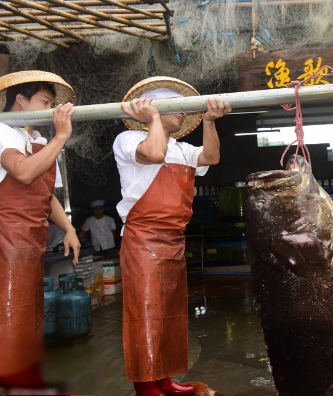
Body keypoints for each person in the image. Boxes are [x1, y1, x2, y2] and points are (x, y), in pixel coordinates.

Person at [114, 76, 230, 396]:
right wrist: (152, 119)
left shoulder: (182, 149)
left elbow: (211, 157)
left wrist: (209, 122)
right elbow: (153, 153)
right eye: (173, 108)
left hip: (174, 239)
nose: (180, 114)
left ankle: (164, 378)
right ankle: (146, 385)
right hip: (143, 239)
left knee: (170, 314)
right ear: (153, 109)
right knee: (146, 316)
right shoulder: (127, 139)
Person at [0, 71, 80, 390]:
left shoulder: (35, 139)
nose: (50, 108)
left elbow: (45, 192)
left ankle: (24, 382)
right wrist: (61, 136)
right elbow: (24, 173)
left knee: (26, 314)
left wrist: (68, 228)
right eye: (46, 102)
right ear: (21, 100)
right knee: (7, 313)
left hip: (27, 236)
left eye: (53, 104)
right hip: (1, 231)